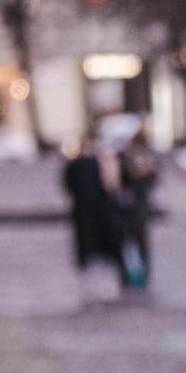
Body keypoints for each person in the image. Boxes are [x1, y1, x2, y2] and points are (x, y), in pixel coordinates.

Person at [62, 137, 125, 302]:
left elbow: (67, 184)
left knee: (86, 241)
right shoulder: (98, 163)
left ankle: (88, 267)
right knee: (101, 240)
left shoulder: (76, 164)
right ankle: (103, 268)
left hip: (82, 209)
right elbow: (112, 186)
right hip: (99, 210)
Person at [118, 128, 159, 289]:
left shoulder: (148, 157)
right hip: (128, 205)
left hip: (139, 206)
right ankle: (129, 275)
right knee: (129, 242)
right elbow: (122, 178)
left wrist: (146, 174)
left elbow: (152, 181)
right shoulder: (126, 156)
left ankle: (142, 275)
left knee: (139, 242)